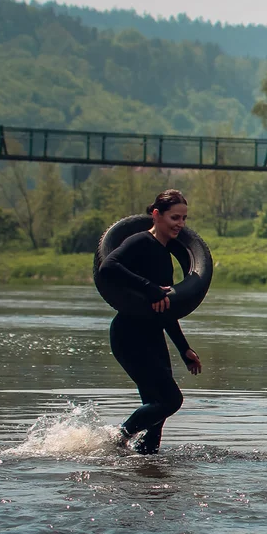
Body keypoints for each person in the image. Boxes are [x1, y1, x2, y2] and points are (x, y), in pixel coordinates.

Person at [98, 189, 203, 454]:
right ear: (156, 215)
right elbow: (109, 266)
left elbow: (165, 310)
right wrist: (149, 287)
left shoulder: (166, 258)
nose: (180, 224)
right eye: (174, 217)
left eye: (184, 218)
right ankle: (116, 440)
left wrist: (184, 348)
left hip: (153, 335)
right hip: (129, 334)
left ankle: (145, 469)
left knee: (157, 417)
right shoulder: (139, 242)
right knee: (171, 400)